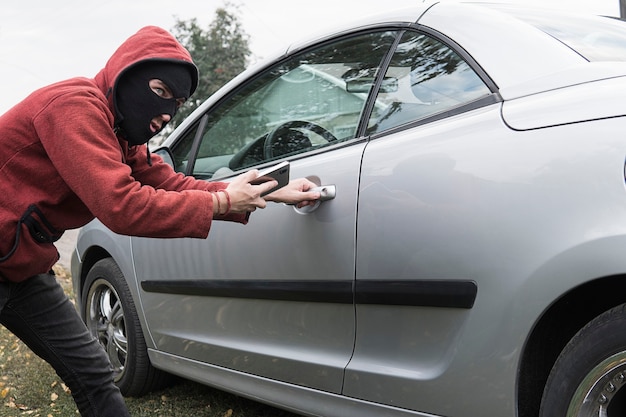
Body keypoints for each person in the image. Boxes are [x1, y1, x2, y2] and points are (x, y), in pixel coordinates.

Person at [0, 26, 320, 416]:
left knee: (93, 374)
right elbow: (122, 205)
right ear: (126, 73)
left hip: (21, 270)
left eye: (177, 103)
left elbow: (170, 182)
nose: (166, 114)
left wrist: (268, 190)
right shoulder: (74, 107)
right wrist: (221, 203)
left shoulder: (121, 136)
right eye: (160, 91)